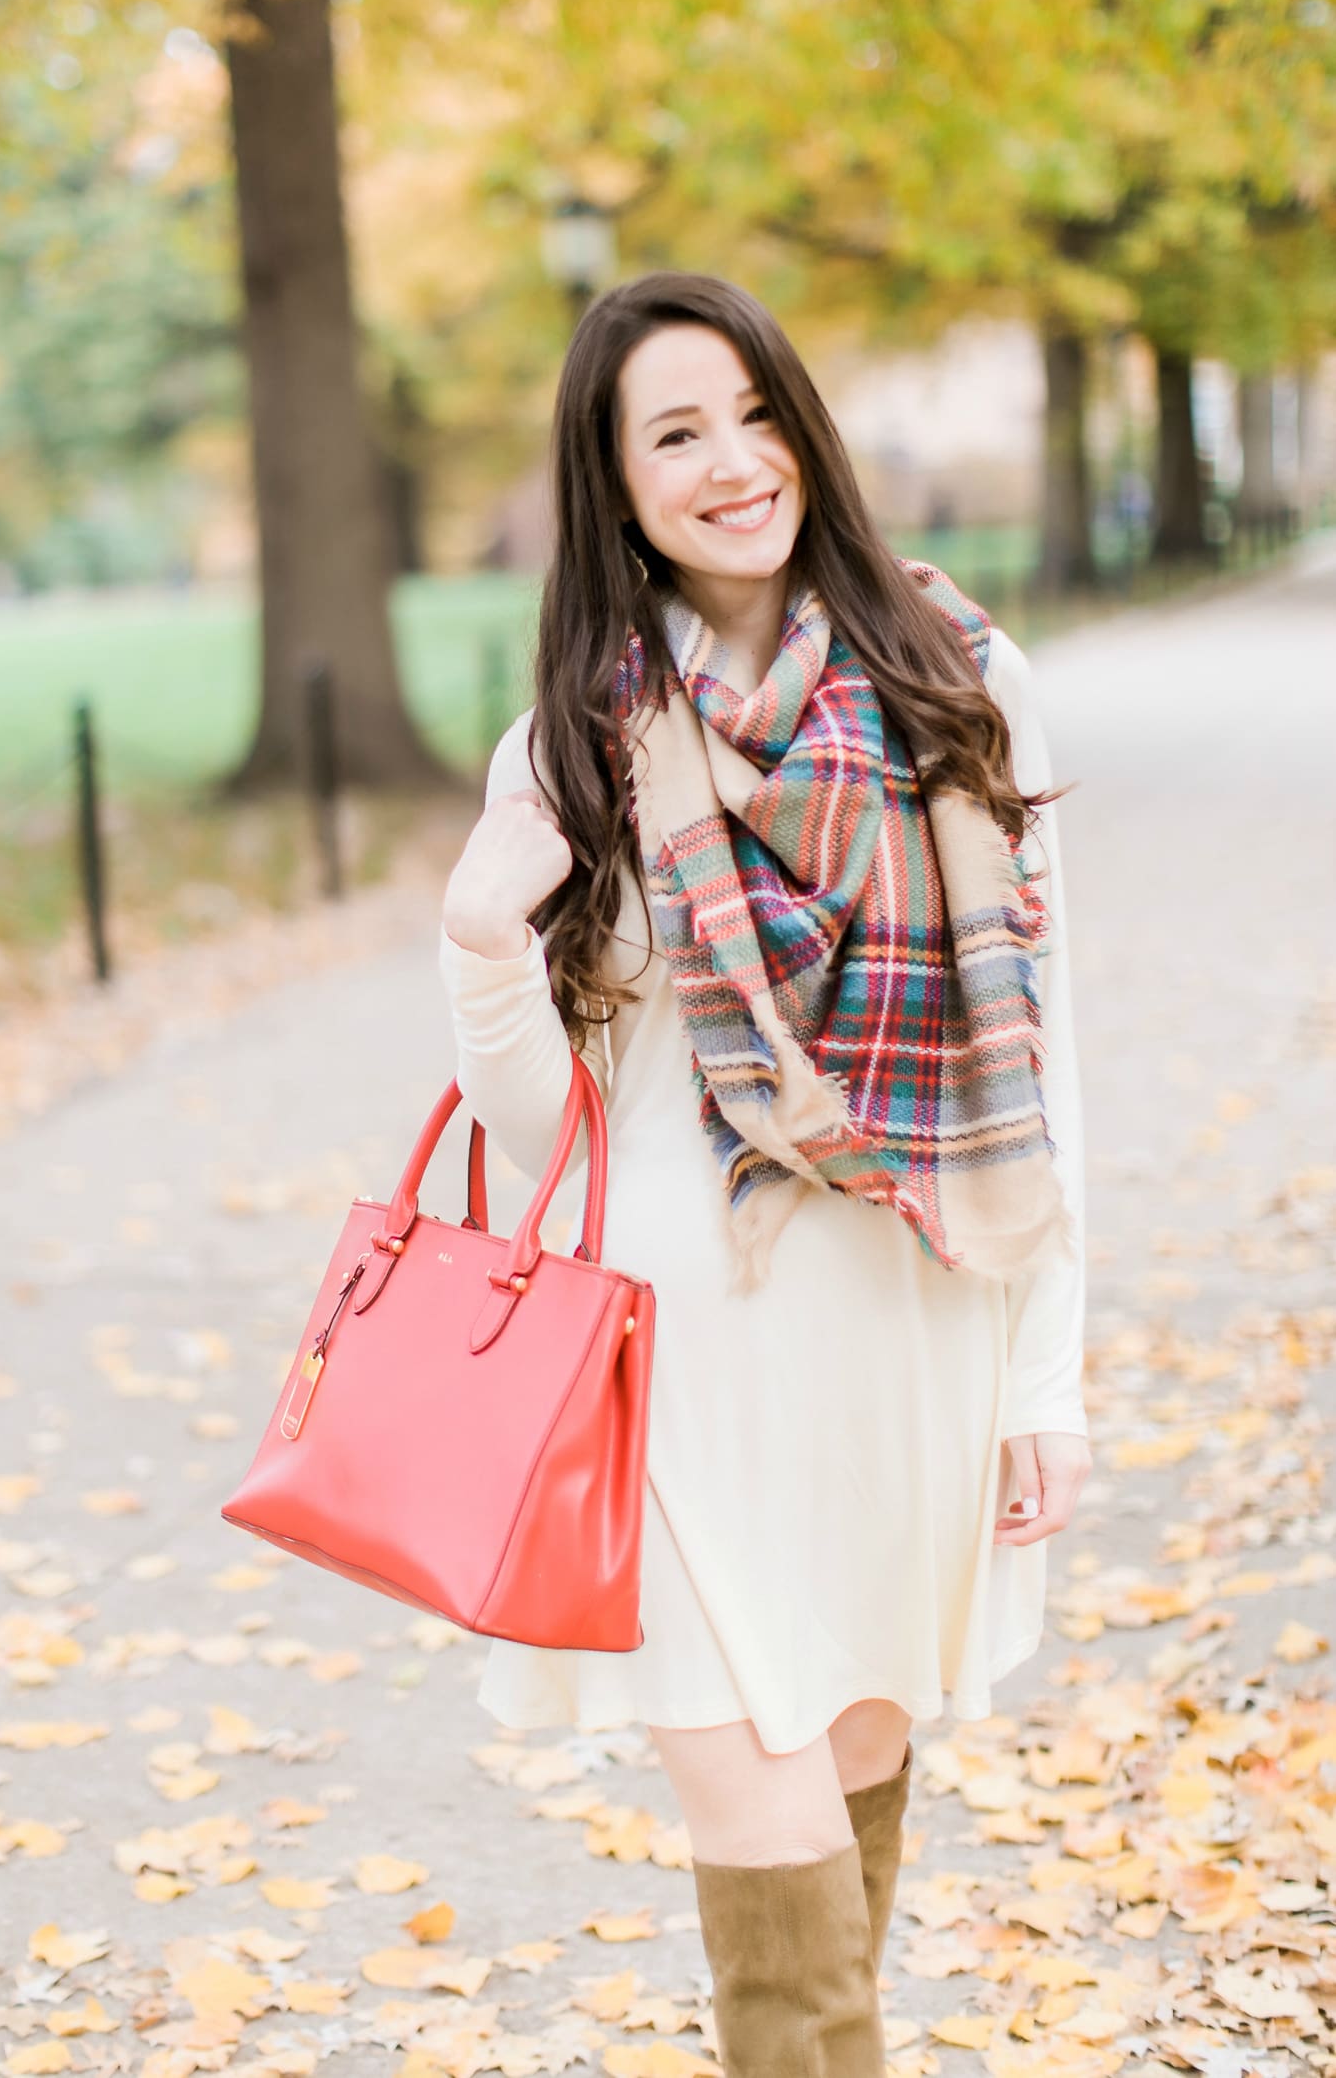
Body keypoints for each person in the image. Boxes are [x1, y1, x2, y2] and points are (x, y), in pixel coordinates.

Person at [438, 271, 1092, 2076]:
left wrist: (1049, 1374)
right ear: (614, 483)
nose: (732, 463)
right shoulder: (575, 738)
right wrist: (482, 941)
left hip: (911, 1326)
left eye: (754, 411)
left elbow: (1048, 1058)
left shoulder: (963, 683)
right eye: (674, 433)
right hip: (684, 1355)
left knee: (857, 1778)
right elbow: (548, 1130)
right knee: (768, 1821)